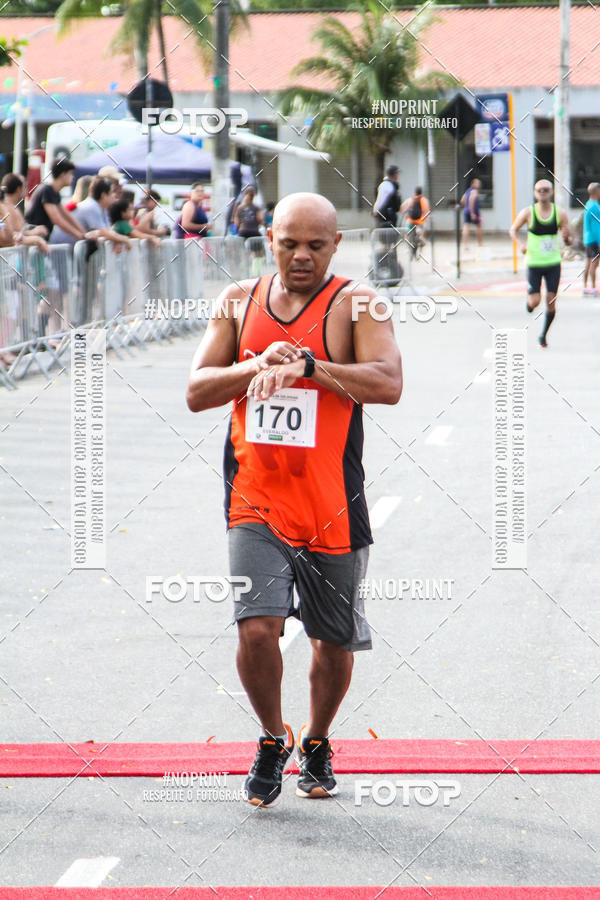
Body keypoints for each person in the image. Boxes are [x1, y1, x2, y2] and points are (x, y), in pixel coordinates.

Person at [186, 192, 403, 807]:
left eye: (315, 244)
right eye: (289, 243)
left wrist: (310, 366)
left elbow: (388, 382)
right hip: (254, 501)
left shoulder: (357, 303)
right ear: (270, 240)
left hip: (332, 501)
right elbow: (198, 390)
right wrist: (255, 367)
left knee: (331, 643)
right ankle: (268, 737)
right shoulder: (237, 302)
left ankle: (317, 737)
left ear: (336, 245)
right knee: (256, 630)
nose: (301, 255)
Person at [509, 179, 572, 348]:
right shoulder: (528, 213)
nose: (543, 192)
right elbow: (513, 230)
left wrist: (567, 238)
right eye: (539, 190)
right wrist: (520, 245)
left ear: (551, 192)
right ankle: (530, 304)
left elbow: (568, 240)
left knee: (551, 300)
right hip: (534, 263)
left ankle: (543, 335)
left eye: (546, 190)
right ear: (535, 193)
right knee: (535, 302)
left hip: (553, 263)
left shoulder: (560, 214)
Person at [50, 177, 131, 250]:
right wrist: (123, 239)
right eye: (112, 192)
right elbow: (102, 232)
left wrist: (117, 240)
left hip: (69, 249)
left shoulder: (102, 209)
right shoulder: (91, 206)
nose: (115, 196)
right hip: (60, 249)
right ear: (103, 195)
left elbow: (109, 231)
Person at [25, 159, 93, 243]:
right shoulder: (47, 190)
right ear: (63, 174)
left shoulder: (54, 192)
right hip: (34, 238)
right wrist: (80, 235)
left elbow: (66, 215)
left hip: (41, 239)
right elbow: (57, 219)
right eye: (70, 173)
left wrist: (84, 233)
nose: (73, 177)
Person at [400, 187, 430, 258]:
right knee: (421, 236)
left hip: (410, 222)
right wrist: (426, 218)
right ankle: (422, 244)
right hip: (420, 223)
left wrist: (406, 215)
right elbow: (427, 212)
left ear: (415, 193)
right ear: (421, 193)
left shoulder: (410, 200)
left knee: (407, 236)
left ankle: (408, 248)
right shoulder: (424, 200)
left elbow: (401, 208)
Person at [582, 182, 600, 295]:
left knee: (588, 262)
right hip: (594, 239)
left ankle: (585, 286)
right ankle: (593, 287)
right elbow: (596, 227)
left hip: (588, 238)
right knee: (594, 263)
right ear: (596, 191)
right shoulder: (594, 207)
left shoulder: (588, 204)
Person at [461, 178, 483, 252]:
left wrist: (466, 207)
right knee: (479, 226)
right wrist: (472, 212)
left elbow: (462, 200)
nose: (479, 185)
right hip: (473, 211)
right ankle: (480, 244)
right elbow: (471, 200)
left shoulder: (467, 191)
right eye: (477, 183)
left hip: (466, 211)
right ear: (473, 184)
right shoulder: (474, 191)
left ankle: (465, 245)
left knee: (466, 226)